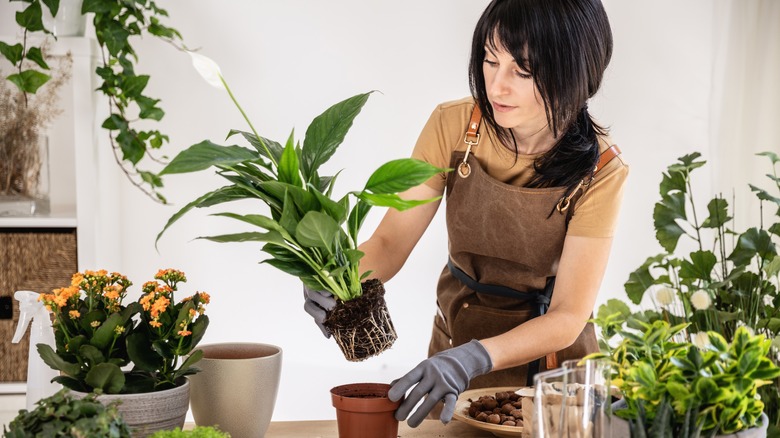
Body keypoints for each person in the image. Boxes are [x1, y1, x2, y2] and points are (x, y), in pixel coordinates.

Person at [304, 0, 627, 428]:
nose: (496, 86)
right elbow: (389, 242)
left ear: (576, 72)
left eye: (523, 71)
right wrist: (338, 280)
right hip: (456, 336)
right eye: (490, 61)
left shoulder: (601, 171)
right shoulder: (454, 126)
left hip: (552, 373)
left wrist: (473, 357)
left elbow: (568, 315)